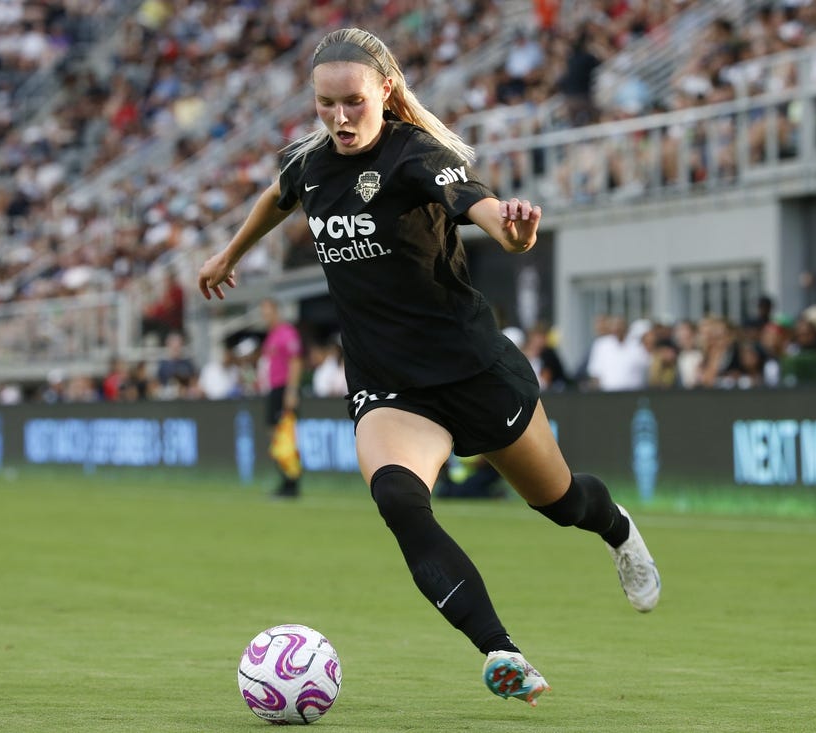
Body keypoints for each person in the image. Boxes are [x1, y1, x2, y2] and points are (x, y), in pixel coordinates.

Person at [197, 27, 660, 708]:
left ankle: (616, 528)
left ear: (384, 90)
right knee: (398, 501)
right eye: (325, 105)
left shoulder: (416, 155)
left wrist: (513, 230)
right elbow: (277, 195)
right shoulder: (313, 164)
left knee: (559, 502)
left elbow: (478, 207)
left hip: (473, 370)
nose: (339, 118)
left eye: (352, 102)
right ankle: (501, 651)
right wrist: (229, 254)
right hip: (391, 387)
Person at [258, 298, 304, 498]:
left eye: (268, 312)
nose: (265, 316)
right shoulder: (272, 336)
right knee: (276, 436)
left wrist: (292, 390)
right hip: (274, 389)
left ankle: (291, 482)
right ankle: (286, 480)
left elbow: (296, 361)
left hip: (283, 389)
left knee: (285, 436)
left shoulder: (286, 333)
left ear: (276, 311)